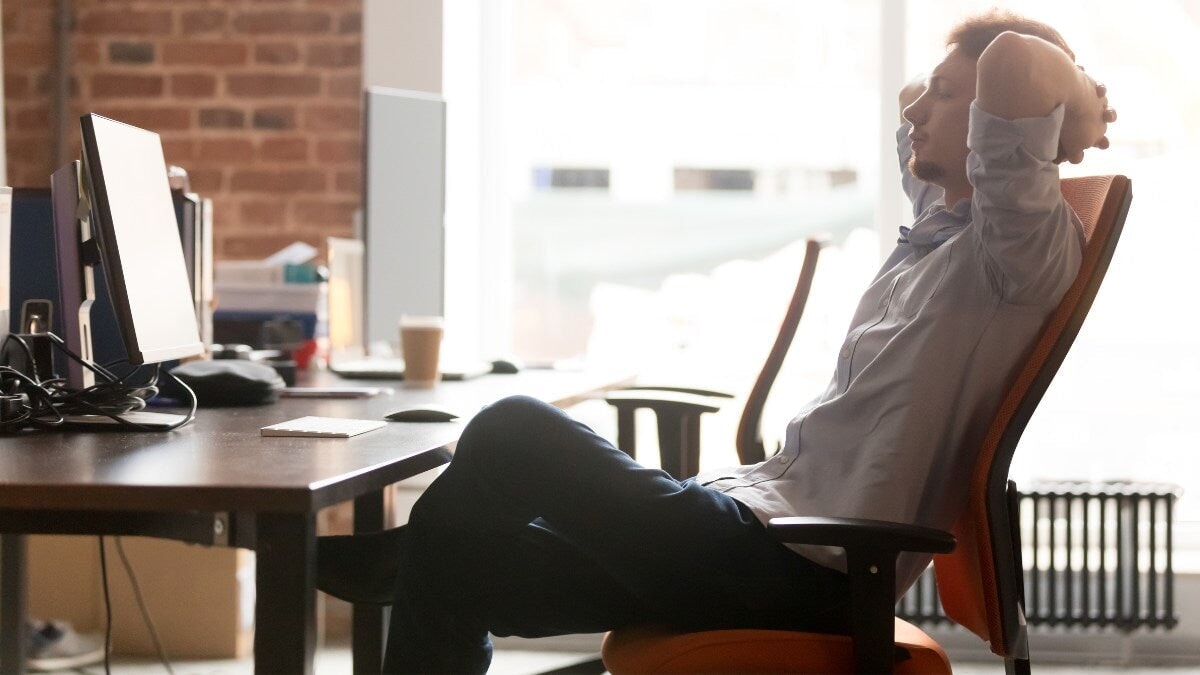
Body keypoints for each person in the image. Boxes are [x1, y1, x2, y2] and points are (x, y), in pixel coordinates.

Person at [318, 10, 1116, 673]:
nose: (913, 113)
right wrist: (948, 84)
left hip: (810, 573)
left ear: (997, 134)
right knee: (456, 563)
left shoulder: (1013, 253)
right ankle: (418, 549)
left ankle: (399, 549)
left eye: (947, 99)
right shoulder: (943, 230)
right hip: (759, 531)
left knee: (510, 427)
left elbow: (1012, 61)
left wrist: (1076, 99)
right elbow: (933, 91)